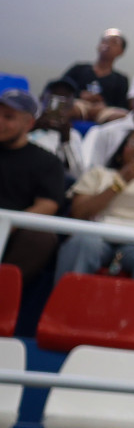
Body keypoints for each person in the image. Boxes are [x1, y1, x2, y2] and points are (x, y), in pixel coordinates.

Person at [59, 127, 134, 322]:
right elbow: (79, 213)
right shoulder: (99, 174)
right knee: (82, 243)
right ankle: (64, 314)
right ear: (122, 150)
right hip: (96, 234)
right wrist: (120, 182)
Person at [0, 88, 68, 287]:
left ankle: (4, 292)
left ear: (29, 124)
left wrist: (7, 225)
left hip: (14, 233)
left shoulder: (48, 162)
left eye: (8, 117)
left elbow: (48, 205)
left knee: (40, 237)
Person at [54, 29, 130, 118]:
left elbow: (121, 105)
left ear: (121, 52)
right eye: (104, 41)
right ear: (98, 46)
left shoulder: (121, 80)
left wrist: (104, 104)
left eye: (114, 43)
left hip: (103, 111)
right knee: (64, 105)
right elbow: (59, 88)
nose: (108, 45)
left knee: (123, 115)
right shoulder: (78, 69)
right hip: (78, 105)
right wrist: (80, 94)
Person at [27, 80, 88, 178]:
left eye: (65, 100)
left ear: (72, 106)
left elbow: (78, 175)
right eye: (54, 99)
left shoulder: (73, 136)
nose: (60, 107)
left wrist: (66, 142)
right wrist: (32, 129)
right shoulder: (25, 127)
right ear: (42, 99)